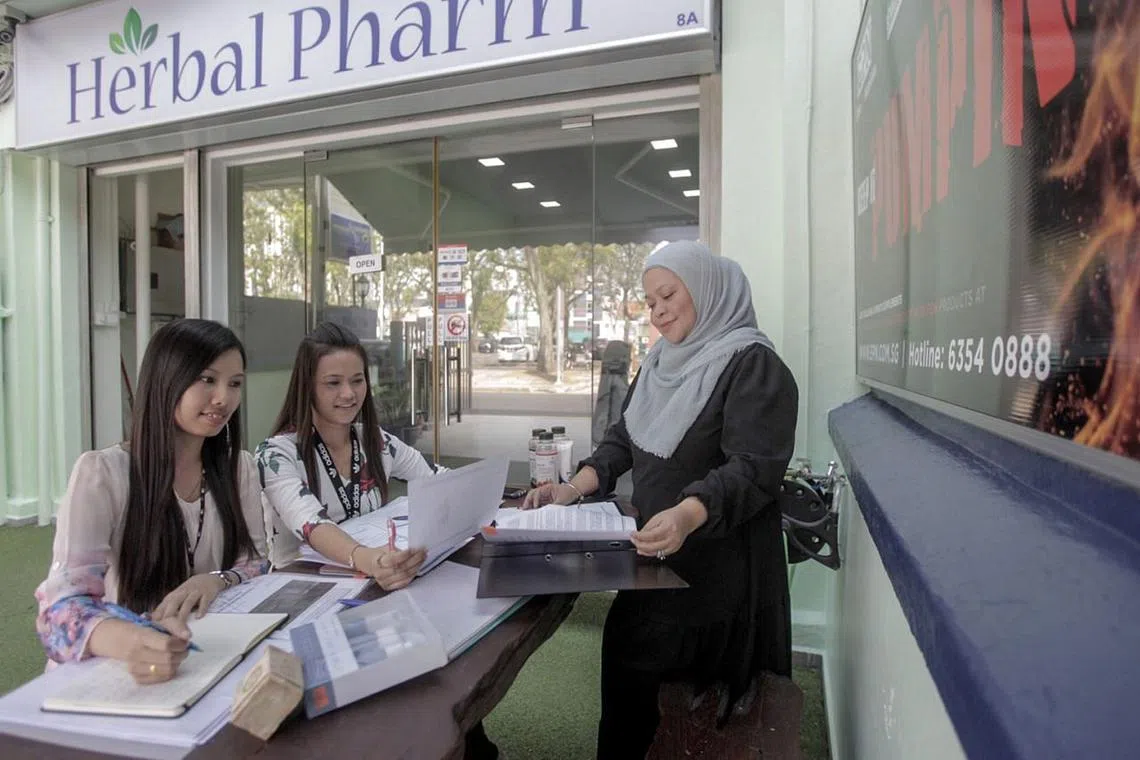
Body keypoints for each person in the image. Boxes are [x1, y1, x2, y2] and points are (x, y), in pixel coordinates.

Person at [523, 240, 799, 759]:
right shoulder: (659, 363)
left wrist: (688, 513)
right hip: (653, 558)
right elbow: (623, 439)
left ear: (708, 290)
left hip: (718, 575)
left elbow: (753, 468)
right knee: (631, 688)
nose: (658, 311)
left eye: (669, 295)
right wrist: (574, 487)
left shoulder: (754, 366)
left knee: (698, 717)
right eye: (650, 303)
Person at [258, 321, 502, 760]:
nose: (348, 394)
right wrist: (367, 558)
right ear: (307, 387)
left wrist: (487, 495)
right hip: (311, 600)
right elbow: (310, 524)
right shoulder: (278, 454)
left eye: (357, 381)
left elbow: (435, 479)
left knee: (446, 653)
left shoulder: (377, 442)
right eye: (333, 383)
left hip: (375, 585)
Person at [35, 319, 268, 684]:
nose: (223, 398)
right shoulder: (102, 473)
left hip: (203, 656)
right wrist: (131, 641)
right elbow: (60, 612)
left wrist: (214, 580)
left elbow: (256, 561)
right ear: (166, 380)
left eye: (235, 383)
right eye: (207, 379)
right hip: (115, 668)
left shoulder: (240, 468)